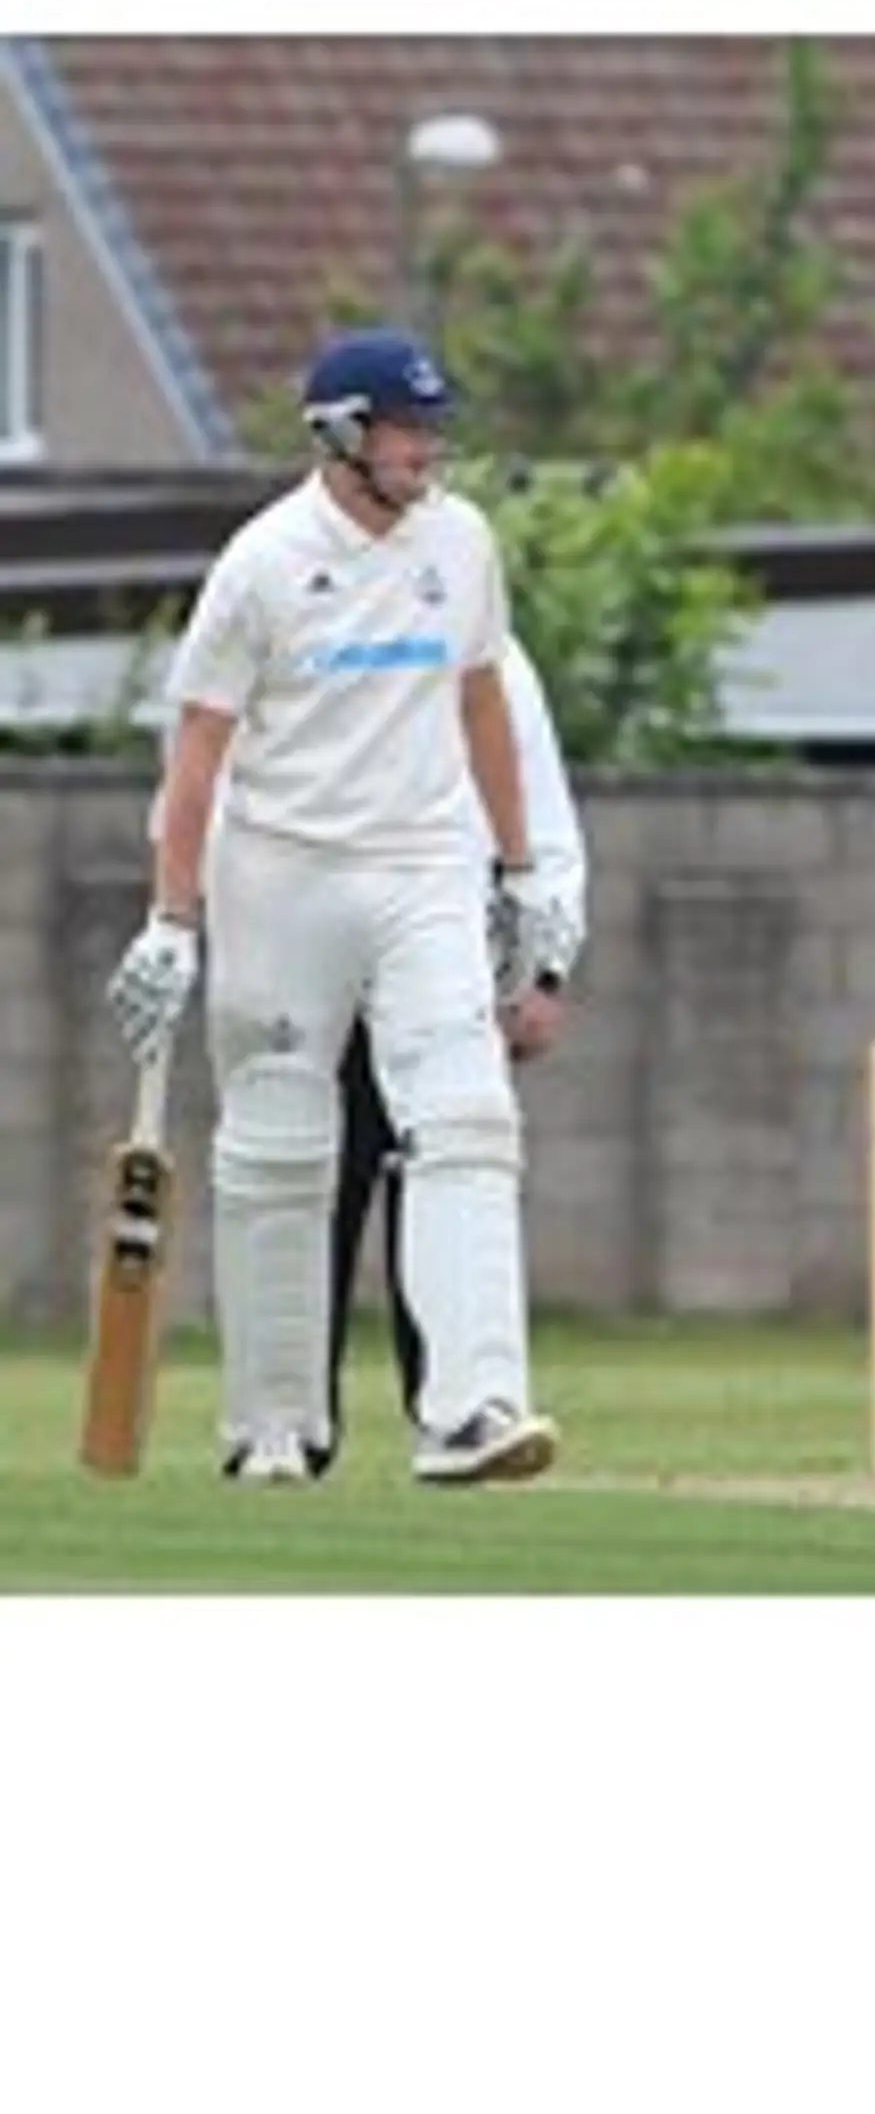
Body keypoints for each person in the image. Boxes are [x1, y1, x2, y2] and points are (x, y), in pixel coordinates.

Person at [105, 328, 578, 1487]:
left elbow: (481, 711)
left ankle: (473, 1408)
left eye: (432, 427)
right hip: (282, 872)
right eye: (404, 429)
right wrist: (174, 918)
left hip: (422, 866)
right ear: (339, 435)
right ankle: (273, 1426)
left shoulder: (462, 544)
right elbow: (199, 755)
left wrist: (517, 873)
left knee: (465, 1118)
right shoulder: (262, 563)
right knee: (277, 1146)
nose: (427, 448)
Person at [324, 632, 587, 1466]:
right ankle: (289, 1425)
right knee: (315, 1194)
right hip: (327, 964)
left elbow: (543, 815)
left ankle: (459, 1409)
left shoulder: (497, 657)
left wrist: (545, 968)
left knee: (453, 1173)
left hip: (454, 968)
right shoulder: (301, 617)